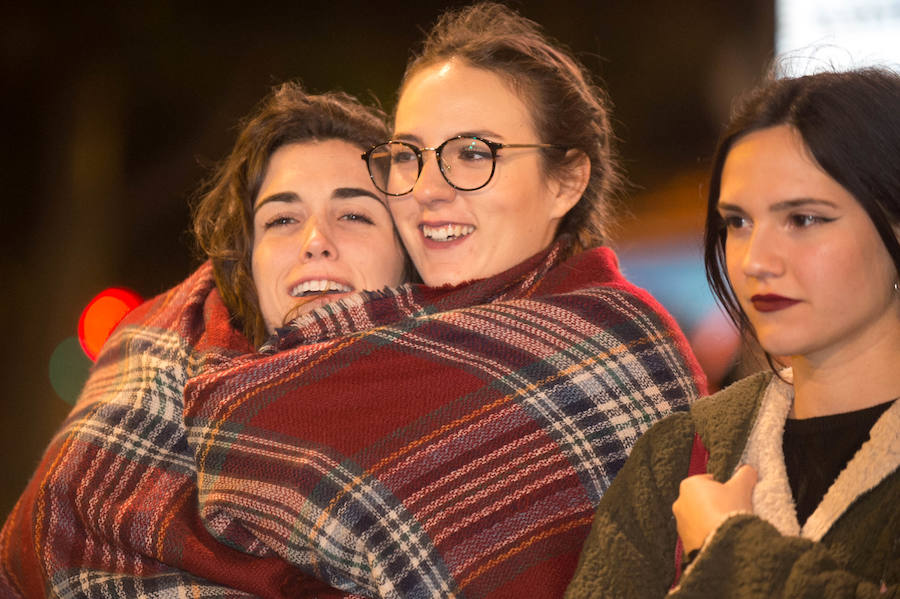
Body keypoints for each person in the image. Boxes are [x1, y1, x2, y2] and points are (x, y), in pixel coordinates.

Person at [179, 4, 705, 598]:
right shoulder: (352, 350)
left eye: (474, 154)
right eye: (407, 156)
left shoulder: (624, 352)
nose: (429, 189)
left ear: (566, 181)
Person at [0, 82, 408, 598]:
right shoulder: (150, 379)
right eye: (282, 219)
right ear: (248, 261)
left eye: (354, 214)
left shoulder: (480, 415)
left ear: (407, 250)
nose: (315, 242)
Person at [565, 67, 900, 599]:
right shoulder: (678, 453)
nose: (756, 261)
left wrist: (730, 550)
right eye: (737, 222)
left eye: (805, 219)